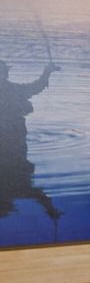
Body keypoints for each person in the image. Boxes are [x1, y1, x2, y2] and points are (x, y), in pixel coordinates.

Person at [0, 57, 61, 227]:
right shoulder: (18, 190)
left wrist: (47, 71)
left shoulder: (15, 89)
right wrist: (49, 208)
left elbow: (36, 86)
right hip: (16, 141)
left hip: (16, 138)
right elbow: (37, 195)